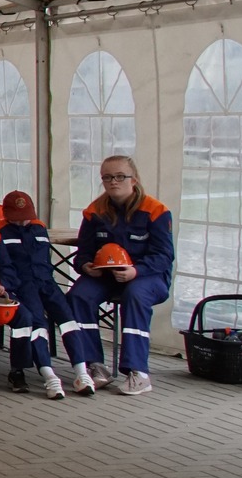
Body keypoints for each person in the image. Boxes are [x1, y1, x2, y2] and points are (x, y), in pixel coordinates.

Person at [68, 155, 174, 396]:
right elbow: (83, 253)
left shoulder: (156, 211)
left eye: (119, 176)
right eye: (107, 177)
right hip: (105, 276)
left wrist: (136, 271)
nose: (113, 182)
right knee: (78, 295)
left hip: (148, 276)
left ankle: (138, 372)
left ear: (133, 180)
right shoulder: (94, 212)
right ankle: (94, 366)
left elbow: (164, 256)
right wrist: (86, 266)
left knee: (135, 294)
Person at [0, 190, 74, 400]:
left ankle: (82, 368)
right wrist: (4, 283)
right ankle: (21, 371)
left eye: (26, 217)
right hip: (15, 287)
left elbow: (43, 260)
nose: (22, 222)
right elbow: (3, 264)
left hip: (41, 283)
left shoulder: (38, 228)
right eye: (17, 218)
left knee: (65, 316)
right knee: (29, 320)